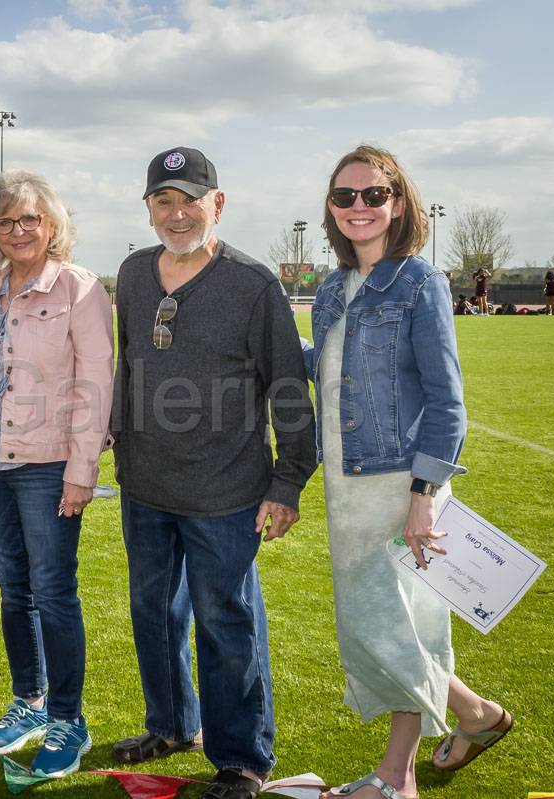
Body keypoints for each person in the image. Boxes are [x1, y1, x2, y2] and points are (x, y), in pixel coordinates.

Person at [111, 147, 316, 799]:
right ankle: (172, 724)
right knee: (153, 611)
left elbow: (288, 386)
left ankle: (242, 758)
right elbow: (129, 365)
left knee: (226, 620)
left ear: (217, 204)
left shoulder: (253, 284)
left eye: (189, 200)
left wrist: (288, 481)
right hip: (145, 486)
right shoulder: (135, 273)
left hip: (225, 491)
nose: (177, 214)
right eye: (163, 201)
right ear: (147, 210)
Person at [308, 145, 511, 799]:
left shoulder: (418, 281)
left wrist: (425, 494)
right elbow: (332, 370)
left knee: (392, 626)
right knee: (383, 624)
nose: (360, 207)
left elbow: (448, 403)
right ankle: (475, 715)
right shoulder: (334, 289)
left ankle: (398, 778)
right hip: (346, 483)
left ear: (399, 203)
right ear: (331, 208)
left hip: (402, 483)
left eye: (375, 194)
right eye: (346, 196)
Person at [0, 170, 113, 778]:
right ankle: (29, 703)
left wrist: (81, 471)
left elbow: (97, 385)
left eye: (30, 220)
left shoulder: (78, 287)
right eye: (5, 221)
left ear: (52, 225)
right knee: (14, 590)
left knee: (52, 592)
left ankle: (69, 719)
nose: (19, 231)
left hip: (48, 467)